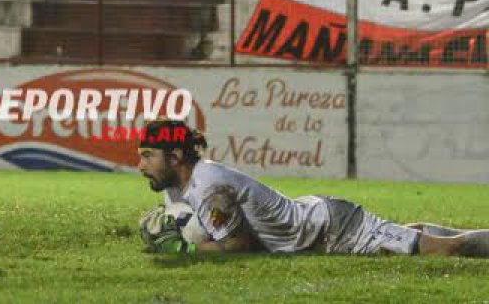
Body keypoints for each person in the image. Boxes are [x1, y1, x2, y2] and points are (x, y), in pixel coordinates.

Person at [136, 119, 489, 257]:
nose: (141, 167)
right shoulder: (179, 186)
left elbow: (237, 245)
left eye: (148, 156)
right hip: (317, 227)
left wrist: (184, 250)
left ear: (176, 156)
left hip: (331, 229)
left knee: (445, 251)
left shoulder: (206, 186)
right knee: (415, 238)